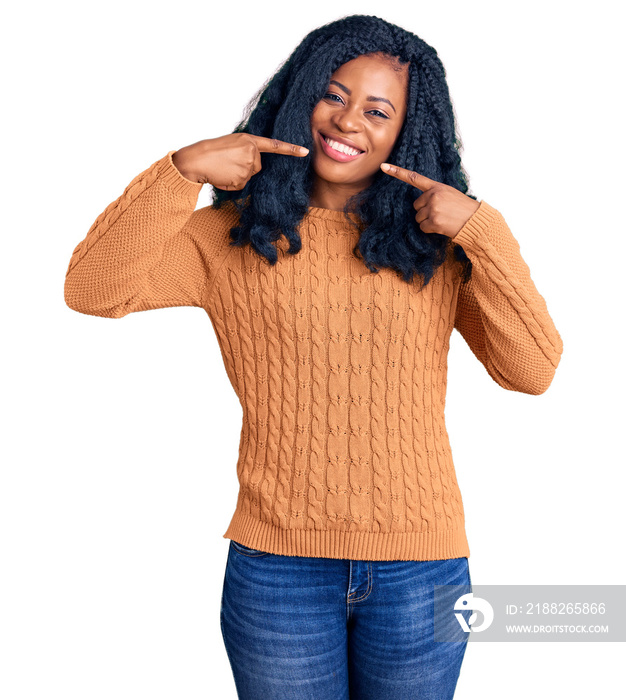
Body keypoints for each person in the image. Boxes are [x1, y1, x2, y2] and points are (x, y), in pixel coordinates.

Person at [64, 13, 563, 700]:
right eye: (333, 94)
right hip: (278, 570)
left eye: (378, 110)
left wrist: (483, 229)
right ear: (302, 99)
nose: (348, 121)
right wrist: (178, 173)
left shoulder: (437, 244)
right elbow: (92, 291)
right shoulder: (227, 239)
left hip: (421, 571)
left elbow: (531, 370)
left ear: (404, 132)